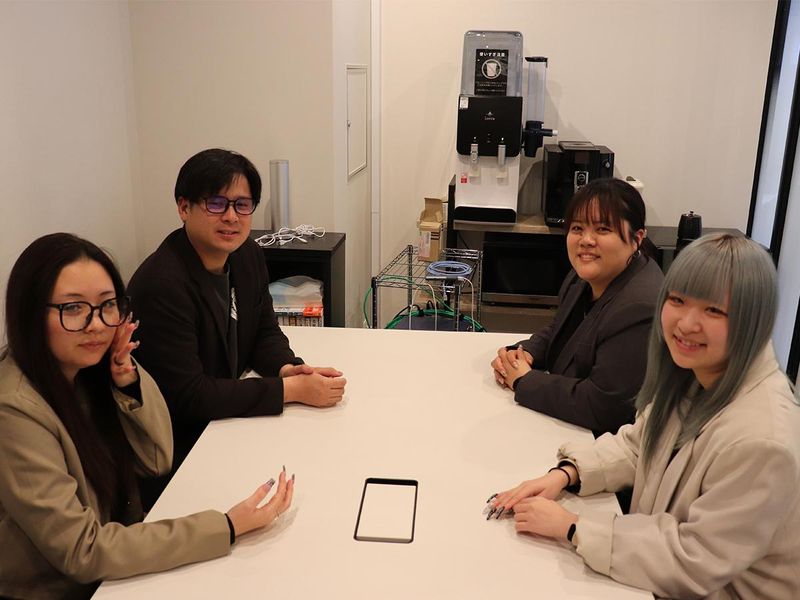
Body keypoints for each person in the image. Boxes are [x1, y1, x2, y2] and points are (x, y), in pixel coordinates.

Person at [488, 233, 800, 600]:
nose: (686, 323)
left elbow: (694, 560)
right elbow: (639, 445)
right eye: (678, 300)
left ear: (755, 321)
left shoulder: (764, 440)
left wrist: (573, 528)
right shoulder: (700, 373)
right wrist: (565, 474)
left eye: (714, 310)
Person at [0, 234, 294, 600]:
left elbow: (157, 458)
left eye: (107, 305)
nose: (96, 324)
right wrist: (227, 526)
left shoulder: (86, 370)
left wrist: (127, 379)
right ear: (30, 313)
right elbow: (82, 551)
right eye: (73, 308)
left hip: (115, 570)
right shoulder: (15, 410)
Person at [127, 148, 346, 479]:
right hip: (182, 449)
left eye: (242, 205)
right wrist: (290, 391)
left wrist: (287, 368)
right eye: (216, 204)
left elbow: (264, 331)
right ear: (184, 207)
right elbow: (190, 396)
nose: (231, 217)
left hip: (227, 424)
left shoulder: (247, 255)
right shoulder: (161, 285)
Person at [491, 178, 664, 434]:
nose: (586, 240)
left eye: (603, 229)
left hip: (601, 444)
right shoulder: (586, 275)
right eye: (577, 228)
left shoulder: (640, 307)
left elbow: (602, 407)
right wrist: (524, 353)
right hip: (564, 427)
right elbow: (561, 329)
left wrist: (524, 381)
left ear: (636, 239)